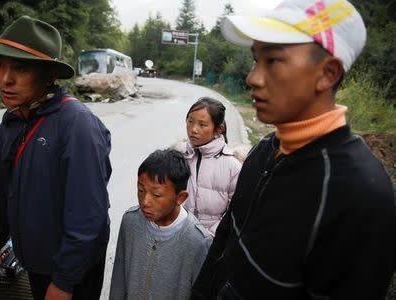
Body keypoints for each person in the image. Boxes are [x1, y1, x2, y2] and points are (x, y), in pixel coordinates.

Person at [191, 0, 396, 299]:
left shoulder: (359, 194)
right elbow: (227, 236)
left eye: (273, 61)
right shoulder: (263, 151)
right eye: (255, 60)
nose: (252, 78)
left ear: (328, 74)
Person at [0, 16, 112, 300]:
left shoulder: (76, 125)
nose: (5, 79)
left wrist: (63, 282)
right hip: (34, 263)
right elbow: (1, 194)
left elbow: (89, 219)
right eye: (0, 64)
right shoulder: (11, 121)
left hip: (73, 272)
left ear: (49, 76)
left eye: (20, 68)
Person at [109, 149, 212, 300]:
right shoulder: (130, 222)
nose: (145, 201)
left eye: (156, 195)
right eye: (141, 190)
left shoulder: (198, 242)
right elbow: (118, 281)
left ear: (180, 197)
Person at [174, 97, 242, 236]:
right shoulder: (177, 155)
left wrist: (208, 237)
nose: (193, 129)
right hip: (177, 236)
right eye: (190, 121)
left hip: (212, 242)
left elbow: (235, 211)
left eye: (202, 125)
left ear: (218, 129)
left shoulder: (232, 166)